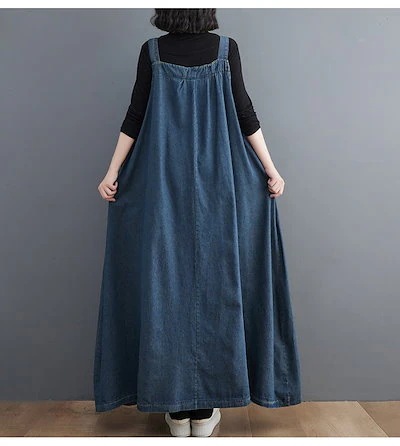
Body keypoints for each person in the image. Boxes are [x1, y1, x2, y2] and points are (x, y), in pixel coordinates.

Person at [94, 9, 302, 438]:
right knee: (217, 285)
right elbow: (245, 113)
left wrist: (112, 172)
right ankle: (205, 410)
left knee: (165, 285)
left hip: (162, 187)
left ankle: (176, 408)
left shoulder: (152, 52)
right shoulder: (226, 50)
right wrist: (271, 170)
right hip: (221, 187)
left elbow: (135, 116)